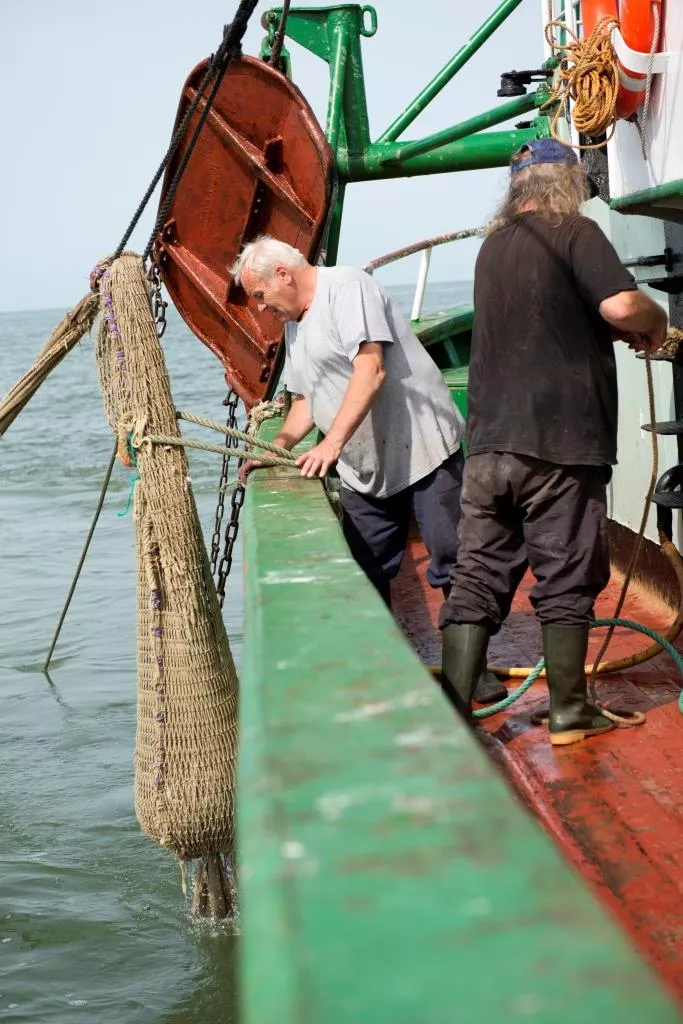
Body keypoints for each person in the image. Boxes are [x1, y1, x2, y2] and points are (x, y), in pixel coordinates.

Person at [440, 137, 668, 745]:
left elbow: (546, 320)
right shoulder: (576, 233)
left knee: (478, 572)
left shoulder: (492, 249)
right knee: (566, 574)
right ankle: (570, 711)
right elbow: (621, 305)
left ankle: (455, 712)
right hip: (559, 441)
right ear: (567, 184)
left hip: (489, 445)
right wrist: (658, 320)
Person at [230, 234, 506, 703]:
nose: (259, 309)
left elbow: (370, 369)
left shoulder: (347, 287)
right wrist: (275, 446)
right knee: (366, 569)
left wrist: (331, 444)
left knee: (451, 561)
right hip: (365, 466)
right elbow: (303, 402)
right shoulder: (296, 325)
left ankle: (472, 671)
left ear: (283, 274)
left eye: (259, 296)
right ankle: (384, 674)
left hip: (422, 451)